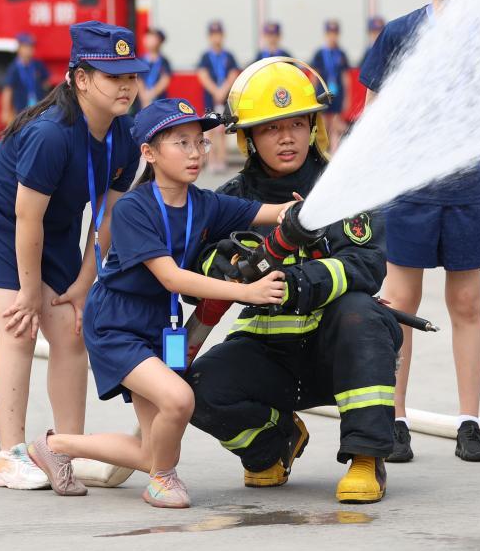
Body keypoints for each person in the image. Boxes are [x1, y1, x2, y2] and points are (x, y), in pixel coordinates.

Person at [26, 98, 296, 508]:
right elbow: (170, 276)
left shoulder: (203, 203)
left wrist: (301, 212)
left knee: (155, 451)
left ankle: (56, 445)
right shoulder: (134, 209)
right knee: (180, 399)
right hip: (117, 324)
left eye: (200, 144)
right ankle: (163, 481)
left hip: (157, 323)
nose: (194, 153)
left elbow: (270, 212)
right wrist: (248, 292)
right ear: (149, 154)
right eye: (181, 143)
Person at [189, 57, 401, 504]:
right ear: (248, 137)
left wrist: (299, 281)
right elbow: (195, 275)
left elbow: (366, 264)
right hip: (268, 354)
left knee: (363, 316)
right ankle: (275, 442)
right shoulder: (230, 202)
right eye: (269, 128)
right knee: (195, 389)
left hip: (336, 354)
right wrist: (229, 264)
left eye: (296, 123)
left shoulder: (343, 187)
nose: (286, 137)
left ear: (313, 126)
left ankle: (366, 458)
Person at [0, 21, 147, 490]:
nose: (126, 86)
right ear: (81, 79)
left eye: (131, 75)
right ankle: (7, 455)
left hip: (58, 221)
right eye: (114, 76)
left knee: (70, 329)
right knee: (20, 327)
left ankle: (65, 447)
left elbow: (106, 218)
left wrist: (86, 284)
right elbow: (25, 220)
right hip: (3, 217)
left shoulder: (124, 137)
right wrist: (28, 292)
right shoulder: (50, 135)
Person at [359, 0, 480, 464]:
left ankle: (470, 422)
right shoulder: (398, 34)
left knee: (466, 303)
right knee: (399, 305)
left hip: (465, 188)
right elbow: (372, 112)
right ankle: (396, 420)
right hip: (407, 192)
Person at [196, 20, 239, 173]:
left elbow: (233, 73)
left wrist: (223, 90)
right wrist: (215, 91)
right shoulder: (206, 57)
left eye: (219, 34)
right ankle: (211, 160)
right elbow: (202, 74)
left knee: (222, 129)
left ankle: (222, 159)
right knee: (210, 130)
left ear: (223, 36)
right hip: (210, 97)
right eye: (213, 35)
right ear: (209, 37)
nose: (216, 38)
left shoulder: (229, 56)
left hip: (225, 98)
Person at [309, 19, 351, 152]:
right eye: (330, 33)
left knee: (334, 124)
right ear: (325, 35)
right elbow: (315, 75)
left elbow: (345, 77)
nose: (332, 36)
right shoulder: (320, 54)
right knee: (323, 124)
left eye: (335, 33)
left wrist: (347, 98)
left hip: (337, 94)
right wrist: (311, 95)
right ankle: (322, 151)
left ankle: (334, 152)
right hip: (322, 93)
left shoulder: (341, 53)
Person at [1, 32, 50, 125]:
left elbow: (46, 83)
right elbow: (8, 90)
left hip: (38, 107)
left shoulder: (38, 65)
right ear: (19, 48)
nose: (29, 50)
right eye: (26, 47)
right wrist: (6, 111)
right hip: (21, 109)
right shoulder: (14, 68)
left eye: (31, 47)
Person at [137, 27, 173, 109]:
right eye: (147, 37)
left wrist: (151, 94)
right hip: (142, 101)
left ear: (160, 41)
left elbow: (165, 79)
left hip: (159, 100)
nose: (148, 40)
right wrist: (143, 95)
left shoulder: (164, 61)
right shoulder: (140, 60)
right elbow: (138, 79)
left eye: (152, 38)